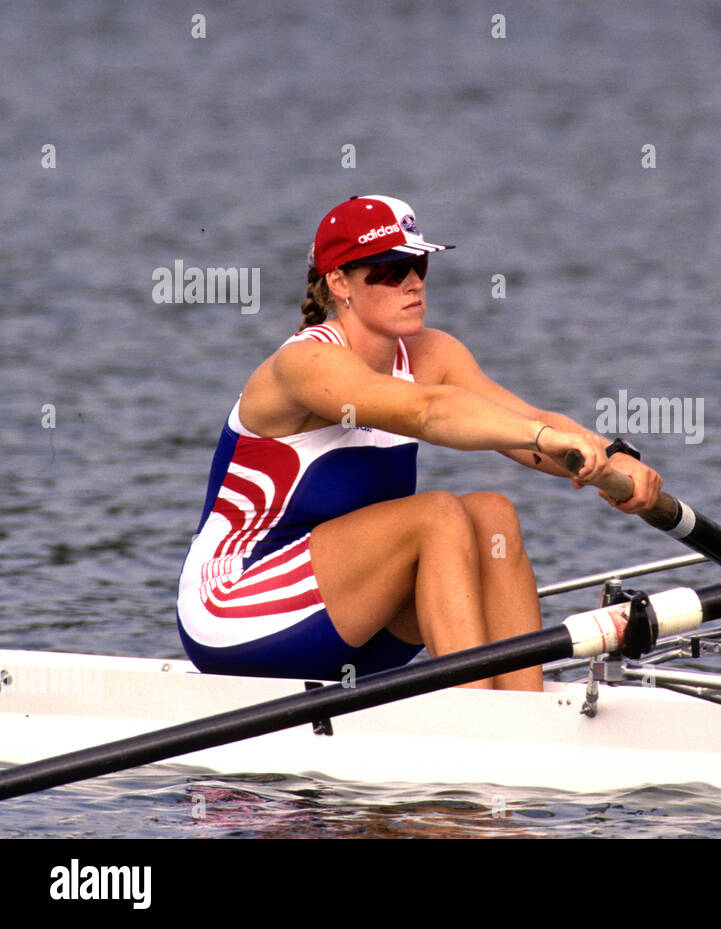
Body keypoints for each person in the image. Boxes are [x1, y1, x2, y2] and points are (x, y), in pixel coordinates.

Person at [177, 194, 661, 690]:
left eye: (418, 264)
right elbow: (429, 412)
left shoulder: (433, 354)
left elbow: (529, 423)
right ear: (339, 281)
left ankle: (523, 711)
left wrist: (615, 458)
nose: (411, 282)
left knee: (493, 513)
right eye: (388, 270)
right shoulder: (305, 365)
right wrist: (547, 437)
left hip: (343, 621)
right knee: (437, 516)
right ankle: (480, 721)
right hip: (236, 611)